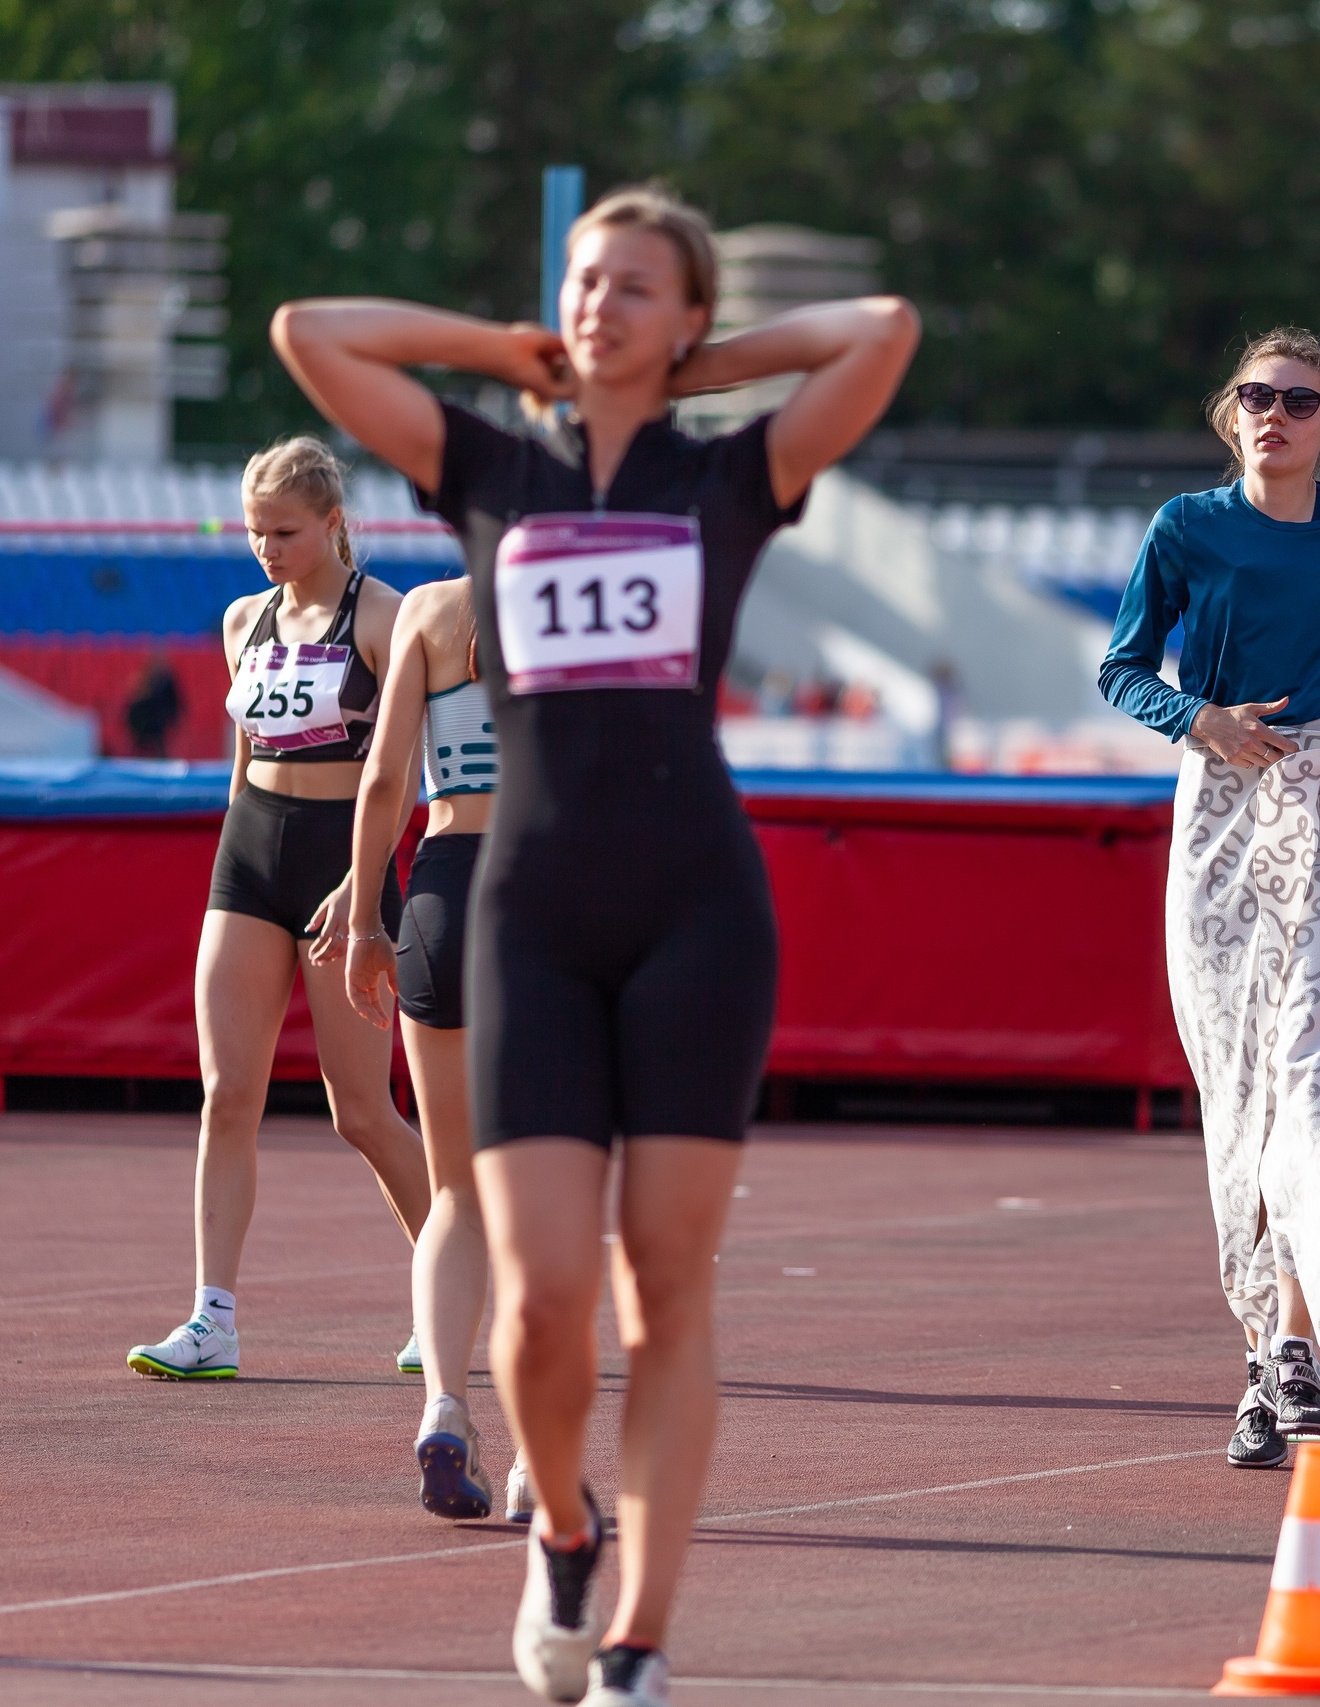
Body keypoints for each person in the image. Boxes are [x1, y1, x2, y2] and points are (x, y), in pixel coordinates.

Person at [272, 183, 918, 1704]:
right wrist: (501, 349)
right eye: (582, 281)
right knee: (546, 1295)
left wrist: (697, 371)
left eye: (637, 286)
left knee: (662, 1291)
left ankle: (637, 1633)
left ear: (686, 317)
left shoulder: (730, 479)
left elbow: (880, 330)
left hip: (698, 907)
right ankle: (561, 1525)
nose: (601, 304)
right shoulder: (492, 465)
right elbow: (314, 332)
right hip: (531, 914)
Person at [1098, 326, 1320, 1472]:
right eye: (1255, 396)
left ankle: (1310, 1332)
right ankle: (1266, 1360)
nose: (1275, 415)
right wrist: (1201, 720)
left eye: (1298, 400)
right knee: (1240, 1084)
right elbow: (1122, 666)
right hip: (1224, 803)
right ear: (1229, 414)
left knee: (1316, 1066)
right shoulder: (1185, 530)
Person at [124, 439, 429, 1383]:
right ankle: (212, 1316)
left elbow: (405, 773)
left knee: (361, 1111)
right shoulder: (242, 620)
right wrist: (233, 856)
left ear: (333, 521)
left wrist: (364, 876)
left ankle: (454, 1285)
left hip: (348, 867)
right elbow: (243, 759)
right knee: (227, 1093)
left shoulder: (385, 618)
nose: (266, 549)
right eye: (253, 532)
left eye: (284, 532)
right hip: (250, 857)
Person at [309, 570, 514, 1522]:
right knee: (548, 1192)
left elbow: (385, 776)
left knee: (458, 1191)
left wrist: (363, 917)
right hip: (548, 893)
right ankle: (538, 1463)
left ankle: (445, 1402)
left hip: (443, 886)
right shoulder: (586, 601)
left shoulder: (430, 609)